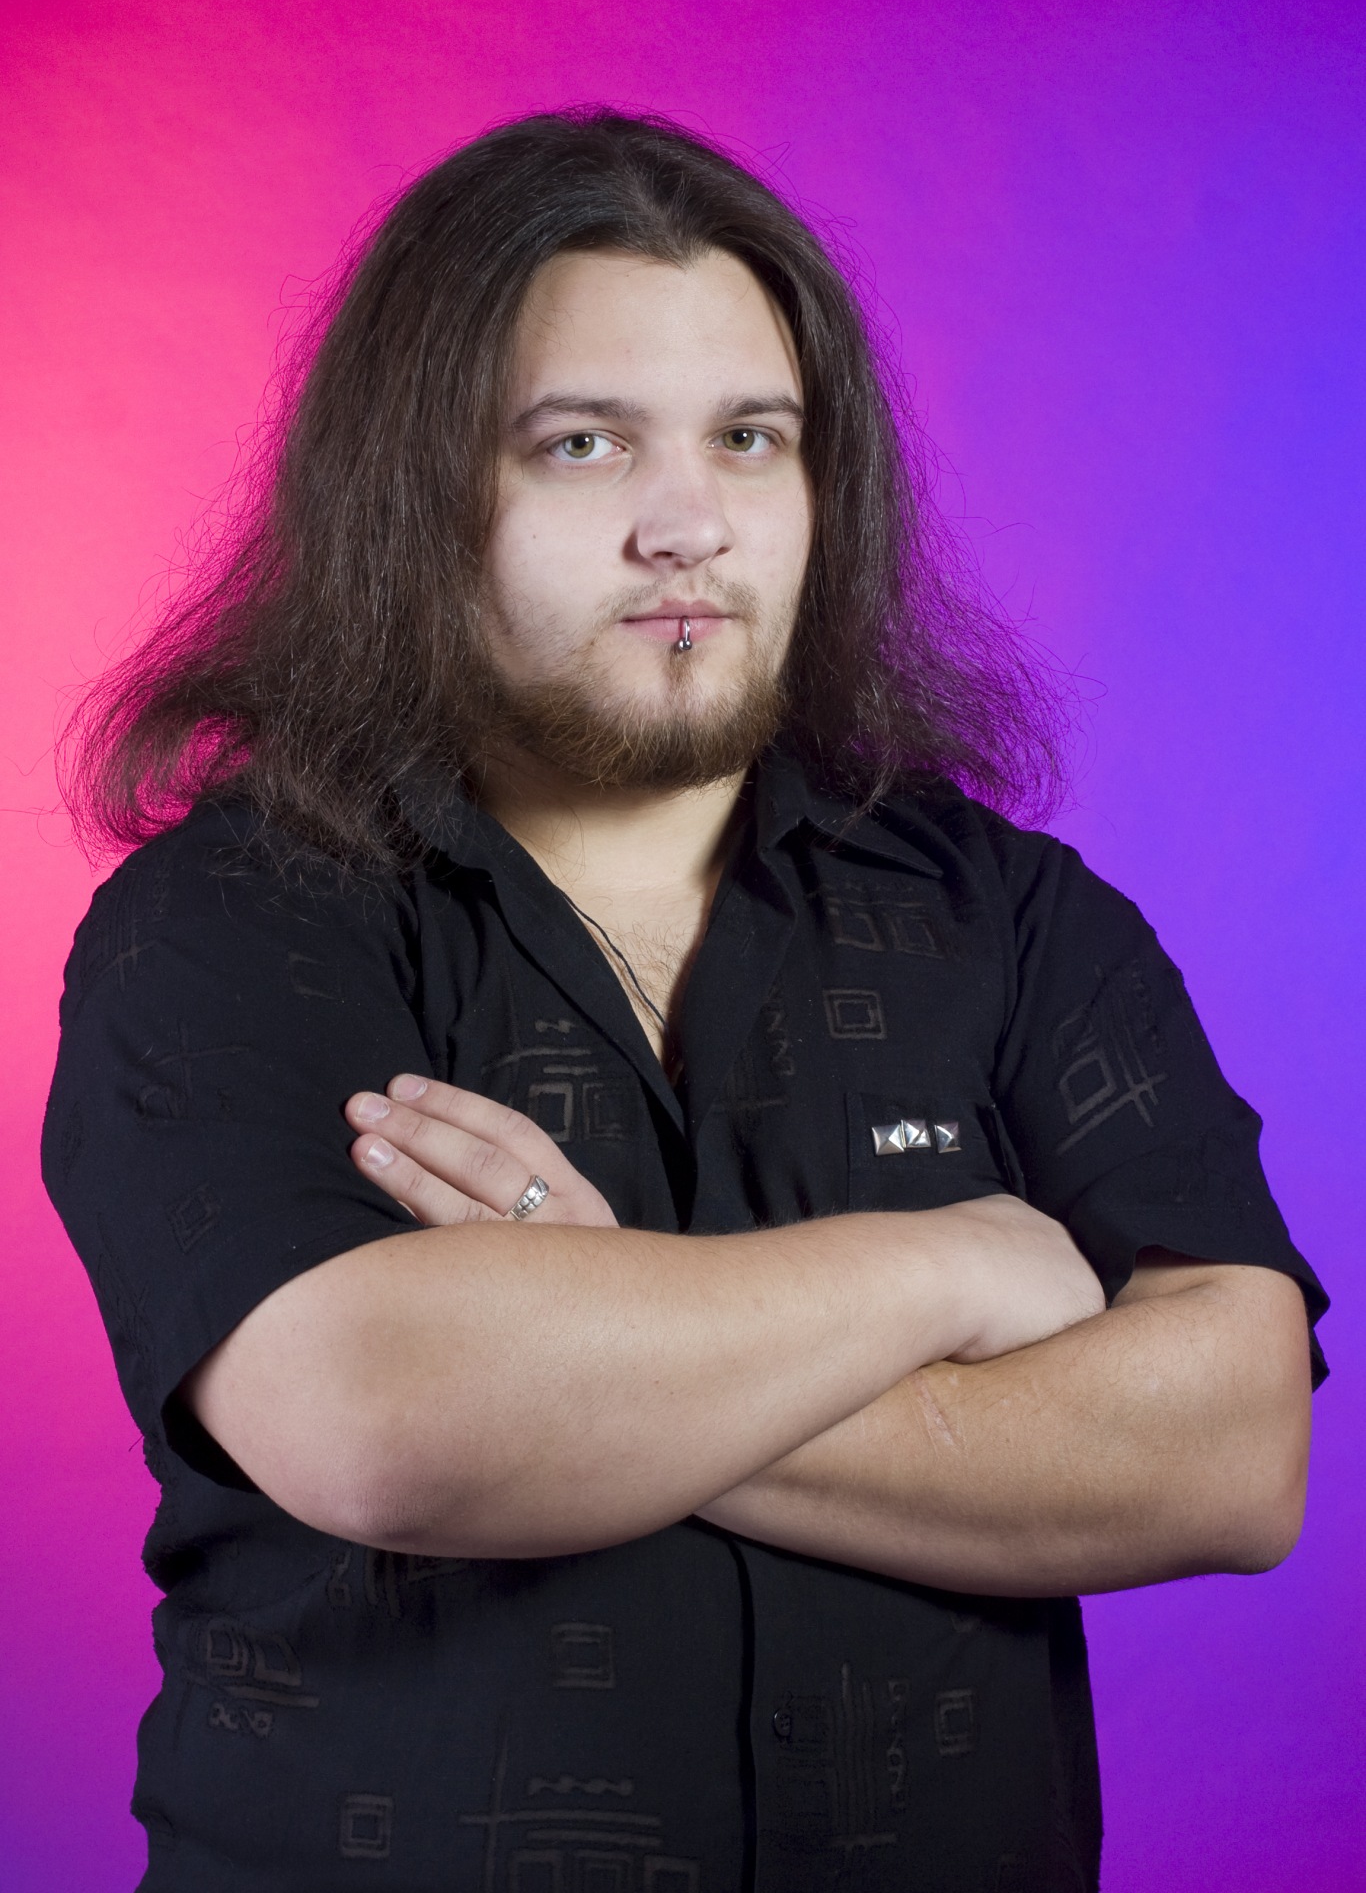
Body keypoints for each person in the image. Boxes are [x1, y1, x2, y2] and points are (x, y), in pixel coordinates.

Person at [44, 109, 1325, 1893]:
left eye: (749, 438)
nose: (688, 525)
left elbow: (1233, 1454)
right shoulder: (230, 926)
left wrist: (589, 1368)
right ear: (413, 494)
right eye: (581, 444)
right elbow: (378, 1425)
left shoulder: (1012, 916)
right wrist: (950, 1269)